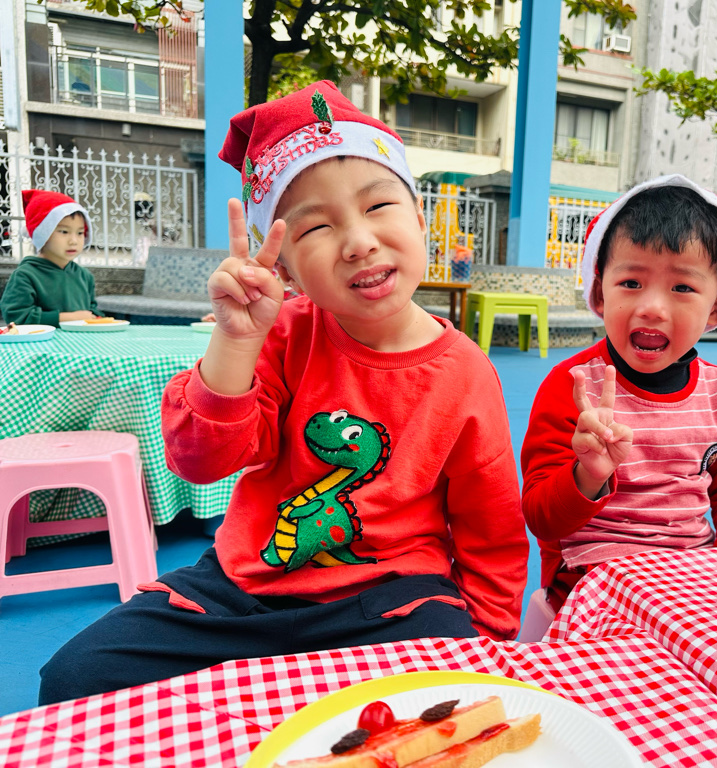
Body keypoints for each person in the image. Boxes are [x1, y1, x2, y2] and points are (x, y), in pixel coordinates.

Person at [38, 81, 528, 704]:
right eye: (316, 226)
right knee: (77, 680)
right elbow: (200, 460)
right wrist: (236, 341)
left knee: (444, 693)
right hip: (243, 590)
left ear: (419, 217)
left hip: (390, 600)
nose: (358, 241)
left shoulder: (467, 372)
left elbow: (491, 527)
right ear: (286, 269)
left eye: (379, 205)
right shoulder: (283, 335)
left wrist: (487, 647)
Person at [520, 175, 717, 612]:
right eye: (632, 283)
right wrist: (587, 475)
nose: (652, 307)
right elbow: (542, 519)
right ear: (599, 291)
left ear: (716, 305)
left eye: (682, 288)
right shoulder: (574, 385)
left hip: (694, 574)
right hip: (595, 580)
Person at [1, 190, 102, 325]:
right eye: (64, 232)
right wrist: (67, 318)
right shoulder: (26, 275)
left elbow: (92, 312)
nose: (74, 241)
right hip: (43, 339)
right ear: (43, 233)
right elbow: (17, 317)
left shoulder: (84, 276)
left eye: (80, 233)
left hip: (81, 339)